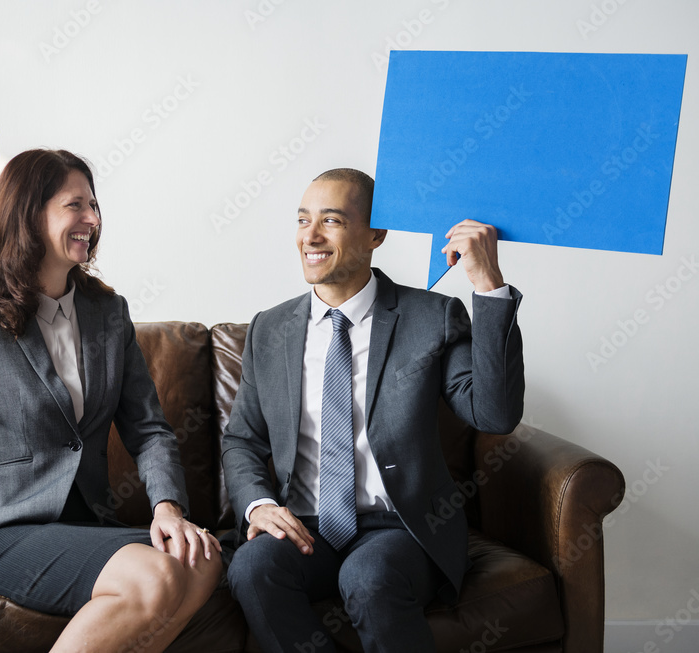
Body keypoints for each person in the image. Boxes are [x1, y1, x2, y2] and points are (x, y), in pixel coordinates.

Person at [0, 149, 221, 651]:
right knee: (153, 577)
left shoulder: (108, 312)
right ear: (29, 215)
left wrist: (167, 507)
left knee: (201, 561)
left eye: (94, 206)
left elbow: (149, 427)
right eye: (75, 206)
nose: (92, 220)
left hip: (85, 522)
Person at [221, 168, 524, 652]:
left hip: (397, 525)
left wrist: (487, 286)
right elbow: (243, 440)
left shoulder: (432, 317)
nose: (311, 237)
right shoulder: (269, 328)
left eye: (332, 221)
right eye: (302, 220)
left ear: (375, 234)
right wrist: (260, 505)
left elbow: (494, 415)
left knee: (370, 578)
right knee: (252, 568)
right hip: (304, 523)